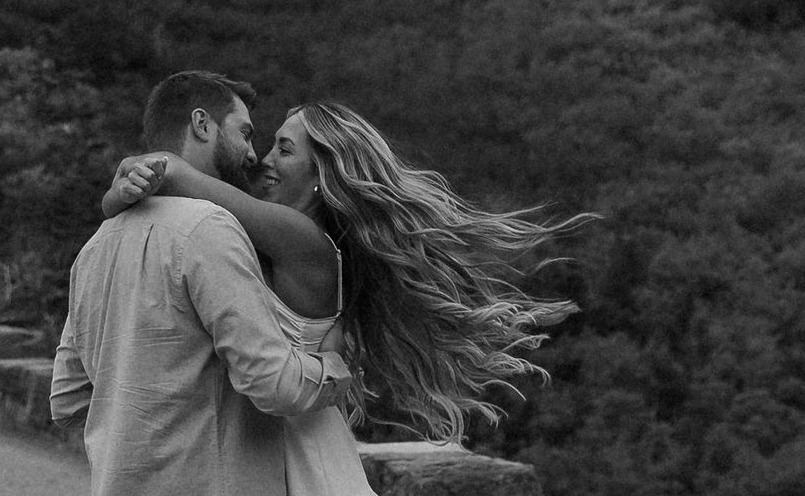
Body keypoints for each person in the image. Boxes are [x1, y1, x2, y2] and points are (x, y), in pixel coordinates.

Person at [105, 101, 597, 493]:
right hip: (283, 451)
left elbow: (191, 185)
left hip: (304, 462)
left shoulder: (302, 240)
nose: (264, 160)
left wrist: (146, 171)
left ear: (323, 176)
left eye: (285, 149)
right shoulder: (272, 241)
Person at [50, 72, 354, 496]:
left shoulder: (96, 246)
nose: (254, 156)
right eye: (246, 134)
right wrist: (334, 365)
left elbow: (68, 399)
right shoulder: (211, 230)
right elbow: (272, 384)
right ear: (202, 124)